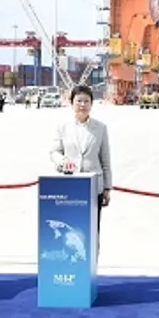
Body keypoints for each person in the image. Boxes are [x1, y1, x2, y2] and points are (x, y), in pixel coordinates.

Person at [50, 84, 113, 227]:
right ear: (71, 103)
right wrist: (63, 161)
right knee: (70, 227)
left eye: (86, 101)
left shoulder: (101, 128)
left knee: (92, 229)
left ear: (91, 104)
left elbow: (105, 160)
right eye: (79, 101)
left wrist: (107, 188)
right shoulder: (63, 127)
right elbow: (54, 152)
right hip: (70, 185)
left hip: (94, 188)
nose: (82, 105)